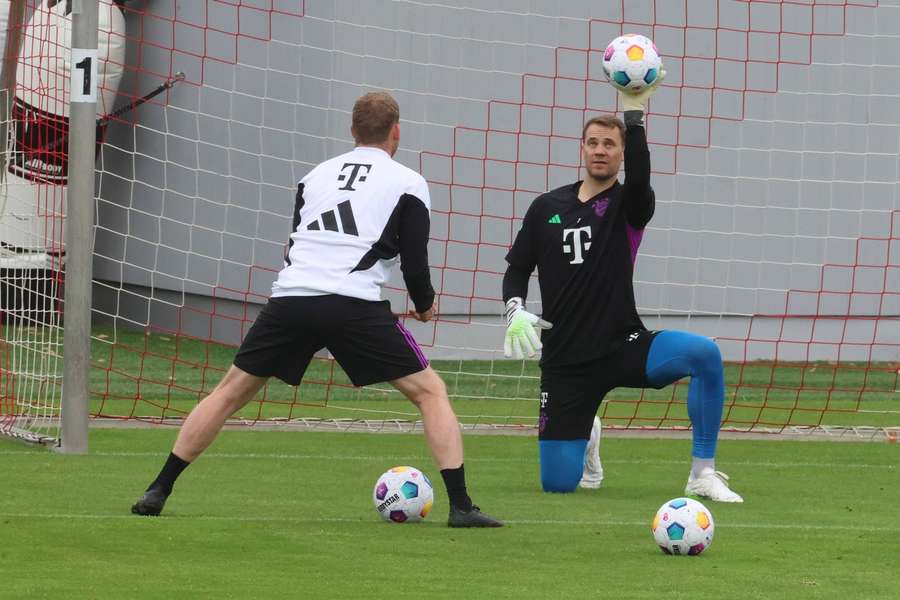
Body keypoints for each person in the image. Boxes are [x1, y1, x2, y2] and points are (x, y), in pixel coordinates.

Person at [132, 91, 503, 527]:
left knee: (228, 392)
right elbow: (415, 259)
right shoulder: (408, 181)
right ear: (396, 131)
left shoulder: (314, 176)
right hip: (352, 304)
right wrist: (424, 304)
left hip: (291, 298)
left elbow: (296, 242)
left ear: (352, 130)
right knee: (430, 392)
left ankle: (159, 488)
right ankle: (461, 507)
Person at [501, 72, 743, 503]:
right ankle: (587, 434)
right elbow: (517, 269)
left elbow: (642, 173)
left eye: (609, 144)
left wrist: (634, 115)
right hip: (566, 361)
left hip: (623, 345)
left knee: (705, 354)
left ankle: (702, 473)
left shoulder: (630, 204)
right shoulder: (545, 208)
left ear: (620, 153)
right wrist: (514, 310)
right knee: (558, 484)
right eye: (593, 142)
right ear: (582, 148)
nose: (600, 150)